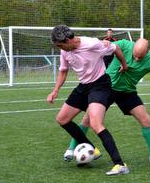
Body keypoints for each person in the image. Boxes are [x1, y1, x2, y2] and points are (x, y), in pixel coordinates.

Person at [64, 38, 150, 169]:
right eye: (134, 56)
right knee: (88, 119)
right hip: (107, 87)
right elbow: (105, 46)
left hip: (127, 91)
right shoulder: (124, 45)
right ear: (133, 47)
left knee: (146, 119)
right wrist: (104, 43)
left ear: (147, 52)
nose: (136, 60)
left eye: (140, 57)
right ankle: (71, 149)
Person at [47, 25, 129, 175]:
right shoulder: (64, 50)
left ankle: (120, 164)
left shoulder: (92, 44)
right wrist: (55, 90)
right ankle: (92, 149)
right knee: (62, 119)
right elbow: (63, 71)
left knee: (95, 123)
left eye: (60, 45)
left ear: (67, 40)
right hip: (84, 86)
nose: (60, 48)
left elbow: (116, 48)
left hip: (100, 85)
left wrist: (124, 65)